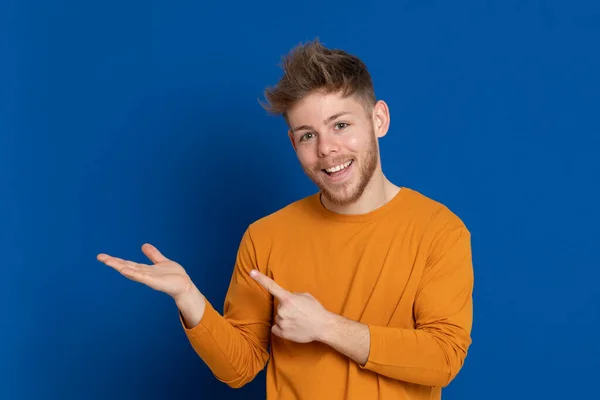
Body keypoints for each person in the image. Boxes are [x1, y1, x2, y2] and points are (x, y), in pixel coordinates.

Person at [97, 39, 474, 399]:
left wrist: (325, 327)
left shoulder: (439, 231)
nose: (327, 149)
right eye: (308, 135)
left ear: (379, 120)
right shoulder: (266, 236)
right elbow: (239, 367)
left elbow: (443, 358)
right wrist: (189, 299)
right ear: (294, 144)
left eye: (341, 125)